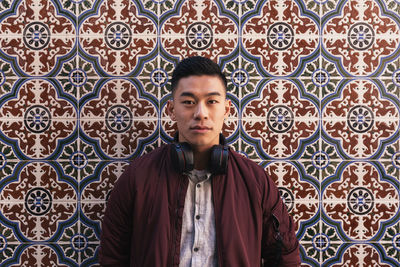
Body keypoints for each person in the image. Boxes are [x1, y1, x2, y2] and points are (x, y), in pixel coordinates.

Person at [99, 56, 300, 266]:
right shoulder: (137, 178)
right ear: (171, 109)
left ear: (227, 109)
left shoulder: (256, 181)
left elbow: (285, 258)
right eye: (188, 102)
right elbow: (112, 258)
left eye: (211, 101)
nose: (200, 113)